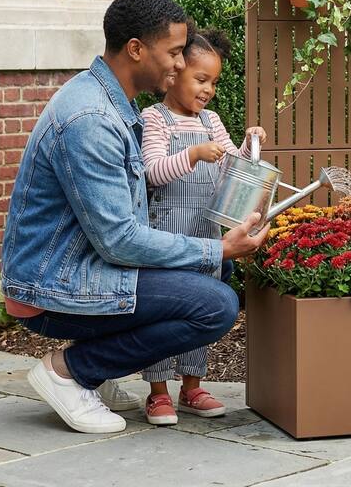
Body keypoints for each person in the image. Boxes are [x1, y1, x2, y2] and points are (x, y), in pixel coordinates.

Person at [0, 0, 269, 434]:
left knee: (192, 287)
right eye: (175, 52)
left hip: (75, 267)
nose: (182, 65)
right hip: (49, 285)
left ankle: (93, 376)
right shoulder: (91, 118)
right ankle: (69, 372)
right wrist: (216, 250)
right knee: (215, 305)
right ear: (137, 49)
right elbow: (120, 239)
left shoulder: (112, 102)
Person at [139, 27, 266, 425]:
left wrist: (249, 144)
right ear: (174, 73)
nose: (208, 89)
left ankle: (191, 386)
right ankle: (158, 392)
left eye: (214, 81)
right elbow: (152, 172)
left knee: (204, 309)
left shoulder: (211, 121)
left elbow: (234, 167)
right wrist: (193, 154)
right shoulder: (155, 119)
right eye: (201, 79)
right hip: (167, 236)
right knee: (163, 314)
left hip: (207, 236)